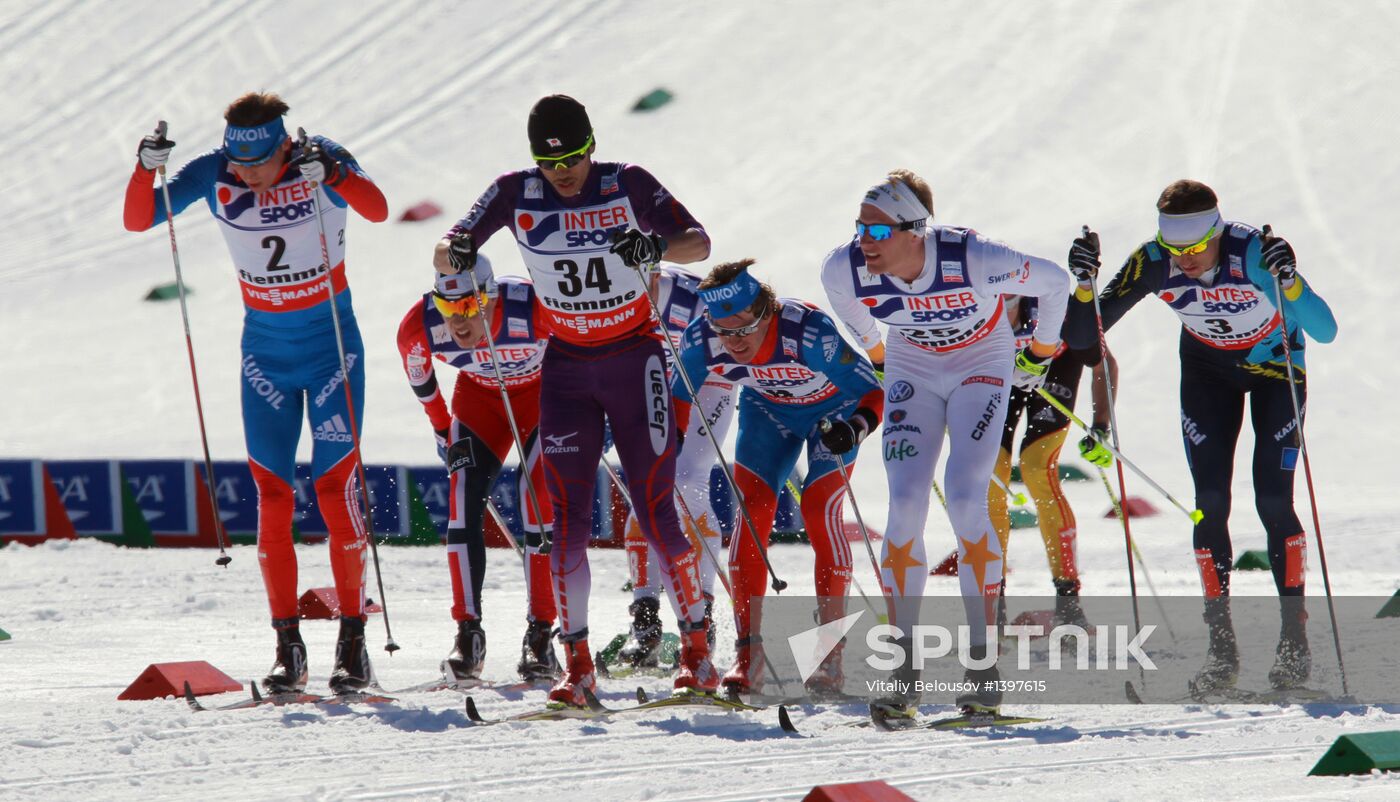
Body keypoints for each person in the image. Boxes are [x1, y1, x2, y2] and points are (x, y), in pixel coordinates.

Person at [433, 94, 715, 706]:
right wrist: (454, 250)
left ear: (592, 146)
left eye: (573, 159)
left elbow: (699, 243)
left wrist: (656, 248)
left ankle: (698, 651)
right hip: (565, 367)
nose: (562, 173)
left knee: (656, 508)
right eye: (549, 162)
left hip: (634, 356)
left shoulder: (627, 182)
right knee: (565, 524)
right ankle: (577, 667)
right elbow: (451, 246)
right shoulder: (515, 192)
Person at [123, 92, 388, 694]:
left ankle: (353, 641)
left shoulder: (322, 157)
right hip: (264, 356)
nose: (242, 175)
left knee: (331, 488)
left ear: (284, 147)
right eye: (237, 165)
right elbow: (140, 220)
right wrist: (145, 168)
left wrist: (340, 175)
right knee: (270, 492)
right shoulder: (216, 170)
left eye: (255, 166)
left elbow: (376, 209)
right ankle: (286, 646)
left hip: (332, 352)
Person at [1064, 179, 1337, 691]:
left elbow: (1325, 331)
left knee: (1272, 501)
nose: (1184, 261)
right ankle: (1221, 651)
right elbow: (1082, 338)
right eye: (1174, 248)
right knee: (1209, 502)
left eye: (1193, 248)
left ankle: (1293, 644)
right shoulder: (1152, 261)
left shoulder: (1250, 252)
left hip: (1276, 369)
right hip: (1207, 372)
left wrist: (1291, 280)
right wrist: (1083, 284)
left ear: (1216, 232)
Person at [821, 169, 1072, 717]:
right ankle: (903, 666)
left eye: (880, 232)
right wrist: (880, 356)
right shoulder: (844, 267)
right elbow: (850, 311)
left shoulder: (973, 256)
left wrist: (1041, 352)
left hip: (980, 364)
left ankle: (982, 665)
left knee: (964, 497)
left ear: (917, 230)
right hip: (913, 364)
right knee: (905, 504)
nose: (866, 242)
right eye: (861, 228)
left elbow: (1056, 283)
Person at [673, 260, 883, 697]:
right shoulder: (700, 339)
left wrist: (857, 427)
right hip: (768, 412)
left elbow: (873, 389)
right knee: (752, 514)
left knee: (819, 511)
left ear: (766, 314)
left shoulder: (807, 332)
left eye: (743, 329)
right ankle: (747, 655)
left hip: (834, 411)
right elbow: (677, 403)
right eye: (723, 330)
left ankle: (828, 655)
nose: (733, 342)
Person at [395, 264, 561, 684]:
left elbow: (581, 346)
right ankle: (468, 635)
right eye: (446, 305)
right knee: (462, 497)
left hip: (544, 395)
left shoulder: (530, 305)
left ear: (490, 297)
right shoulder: (421, 325)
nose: (457, 320)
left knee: (534, 493)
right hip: (478, 401)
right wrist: (440, 427)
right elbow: (422, 379)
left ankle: (541, 635)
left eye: (468, 306)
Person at [616, 266, 737, 669]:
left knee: (687, 479)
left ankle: (701, 613)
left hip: (709, 383)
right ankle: (645, 620)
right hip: (650, 388)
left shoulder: (693, 298)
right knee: (645, 489)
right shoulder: (605, 294)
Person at [988, 295, 1117, 627]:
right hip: (1001, 376)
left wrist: (1101, 425)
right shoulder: (972, 312)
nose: (1002, 312)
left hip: (1056, 370)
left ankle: (1068, 601)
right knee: (992, 476)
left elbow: (1104, 362)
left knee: (1036, 468)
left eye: (1008, 305)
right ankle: (992, 602)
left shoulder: (1057, 310)